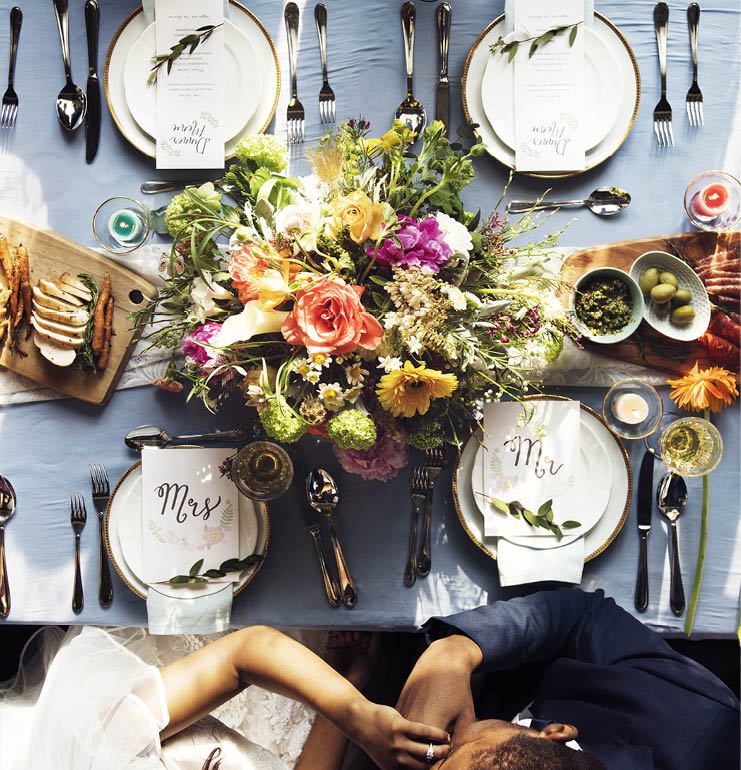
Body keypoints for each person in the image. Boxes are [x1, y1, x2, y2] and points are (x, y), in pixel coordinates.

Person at [0, 625, 450, 770]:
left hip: (199, 677)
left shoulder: (98, 751)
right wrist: (353, 676)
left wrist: (356, 715)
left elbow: (240, 655)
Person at [394, 588, 740, 770]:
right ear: (555, 733)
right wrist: (456, 651)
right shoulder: (693, 713)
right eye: (451, 755)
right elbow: (585, 617)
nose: (432, 757)